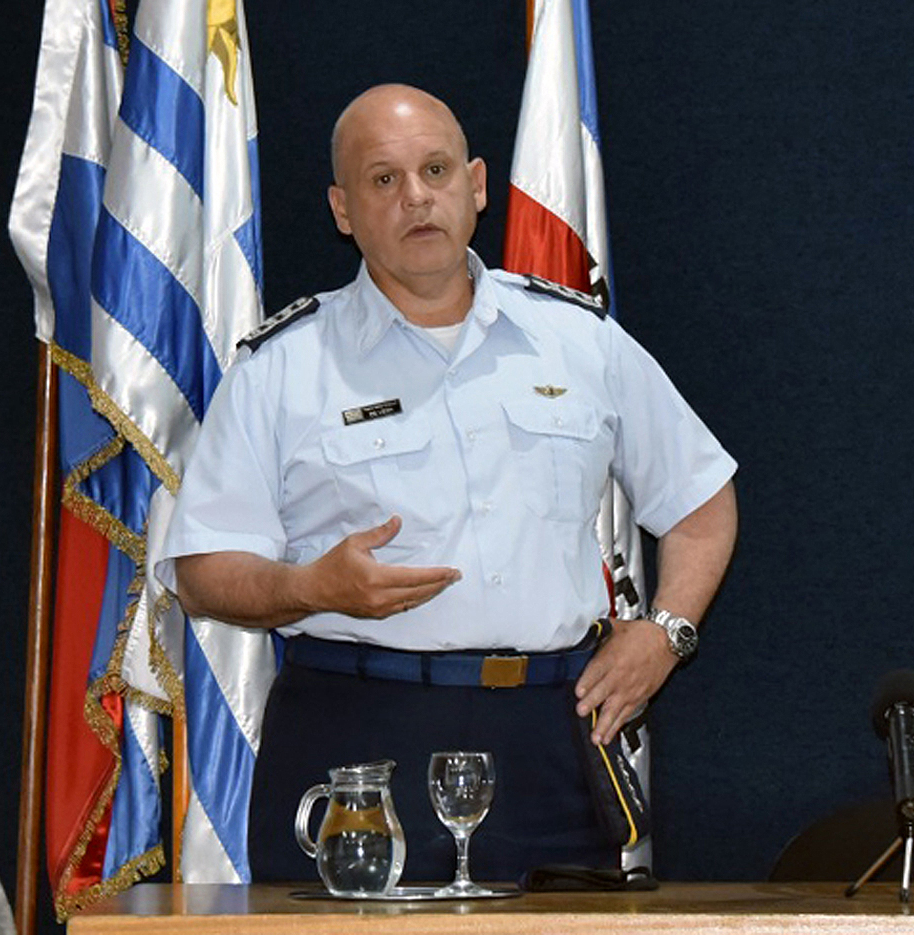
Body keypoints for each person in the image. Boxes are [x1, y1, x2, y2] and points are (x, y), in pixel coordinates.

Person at [155, 83, 737, 884]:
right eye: (383, 180)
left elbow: (702, 500)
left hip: (551, 735)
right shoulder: (281, 368)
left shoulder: (578, 341)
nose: (416, 197)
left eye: (434, 169)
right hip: (359, 737)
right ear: (342, 208)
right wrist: (310, 585)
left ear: (477, 185)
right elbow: (202, 570)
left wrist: (665, 635)